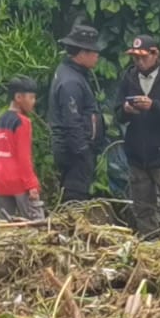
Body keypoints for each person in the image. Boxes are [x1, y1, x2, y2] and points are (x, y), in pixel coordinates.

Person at [116, 35, 160, 239]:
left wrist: (153, 105)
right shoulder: (129, 77)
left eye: (143, 57)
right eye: (135, 58)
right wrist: (126, 109)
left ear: (156, 54)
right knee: (143, 207)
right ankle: (150, 246)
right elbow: (117, 113)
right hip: (137, 155)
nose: (139, 62)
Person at [48, 25, 105, 202]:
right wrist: (83, 151)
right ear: (82, 53)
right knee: (75, 197)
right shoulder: (71, 81)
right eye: (94, 52)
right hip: (74, 151)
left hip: (74, 148)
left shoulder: (72, 73)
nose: (97, 56)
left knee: (75, 193)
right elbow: (72, 121)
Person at [0, 77, 44, 222]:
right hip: (20, 182)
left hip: (2, 180)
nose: (34, 102)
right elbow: (23, 157)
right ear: (18, 97)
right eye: (31, 97)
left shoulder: (2, 119)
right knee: (38, 225)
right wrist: (32, 184)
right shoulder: (23, 122)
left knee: (2, 225)